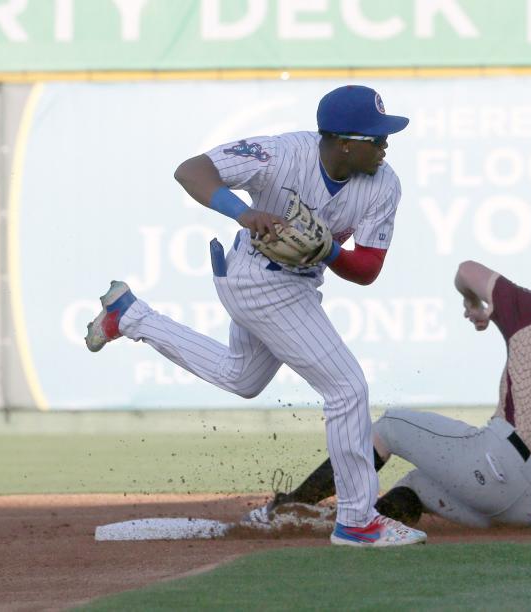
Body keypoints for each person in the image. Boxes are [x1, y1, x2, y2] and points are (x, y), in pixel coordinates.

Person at [85, 85, 425, 547]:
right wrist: (244, 214)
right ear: (345, 142)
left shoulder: (385, 183)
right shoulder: (282, 154)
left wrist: (327, 251)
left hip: (297, 284)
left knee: (242, 378)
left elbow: (366, 270)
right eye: (376, 137)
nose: (386, 144)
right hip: (255, 279)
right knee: (347, 387)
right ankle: (358, 520)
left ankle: (129, 316)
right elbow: (191, 172)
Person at [245, 262, 531, 530]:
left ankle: (290, 507)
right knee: (418, 486)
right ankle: (360, 525)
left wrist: (475, 304)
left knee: (392, 425)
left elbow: (467, 270)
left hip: (494, 466)